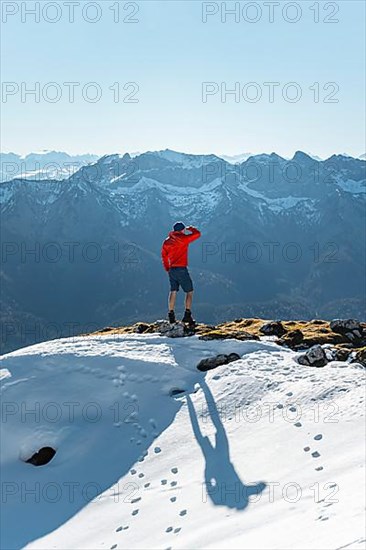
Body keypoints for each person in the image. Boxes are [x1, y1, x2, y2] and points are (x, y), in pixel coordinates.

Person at [161, 221, 201, 325]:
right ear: (182, 230)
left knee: (173, 291)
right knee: (189, 291)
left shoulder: (167, 241)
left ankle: (171, 315)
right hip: (181, 269)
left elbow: (164, 256)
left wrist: (167, 268)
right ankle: (187, 315)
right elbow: (197, 234)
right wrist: (191, 228)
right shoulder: (184, 239)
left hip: (172, 269)